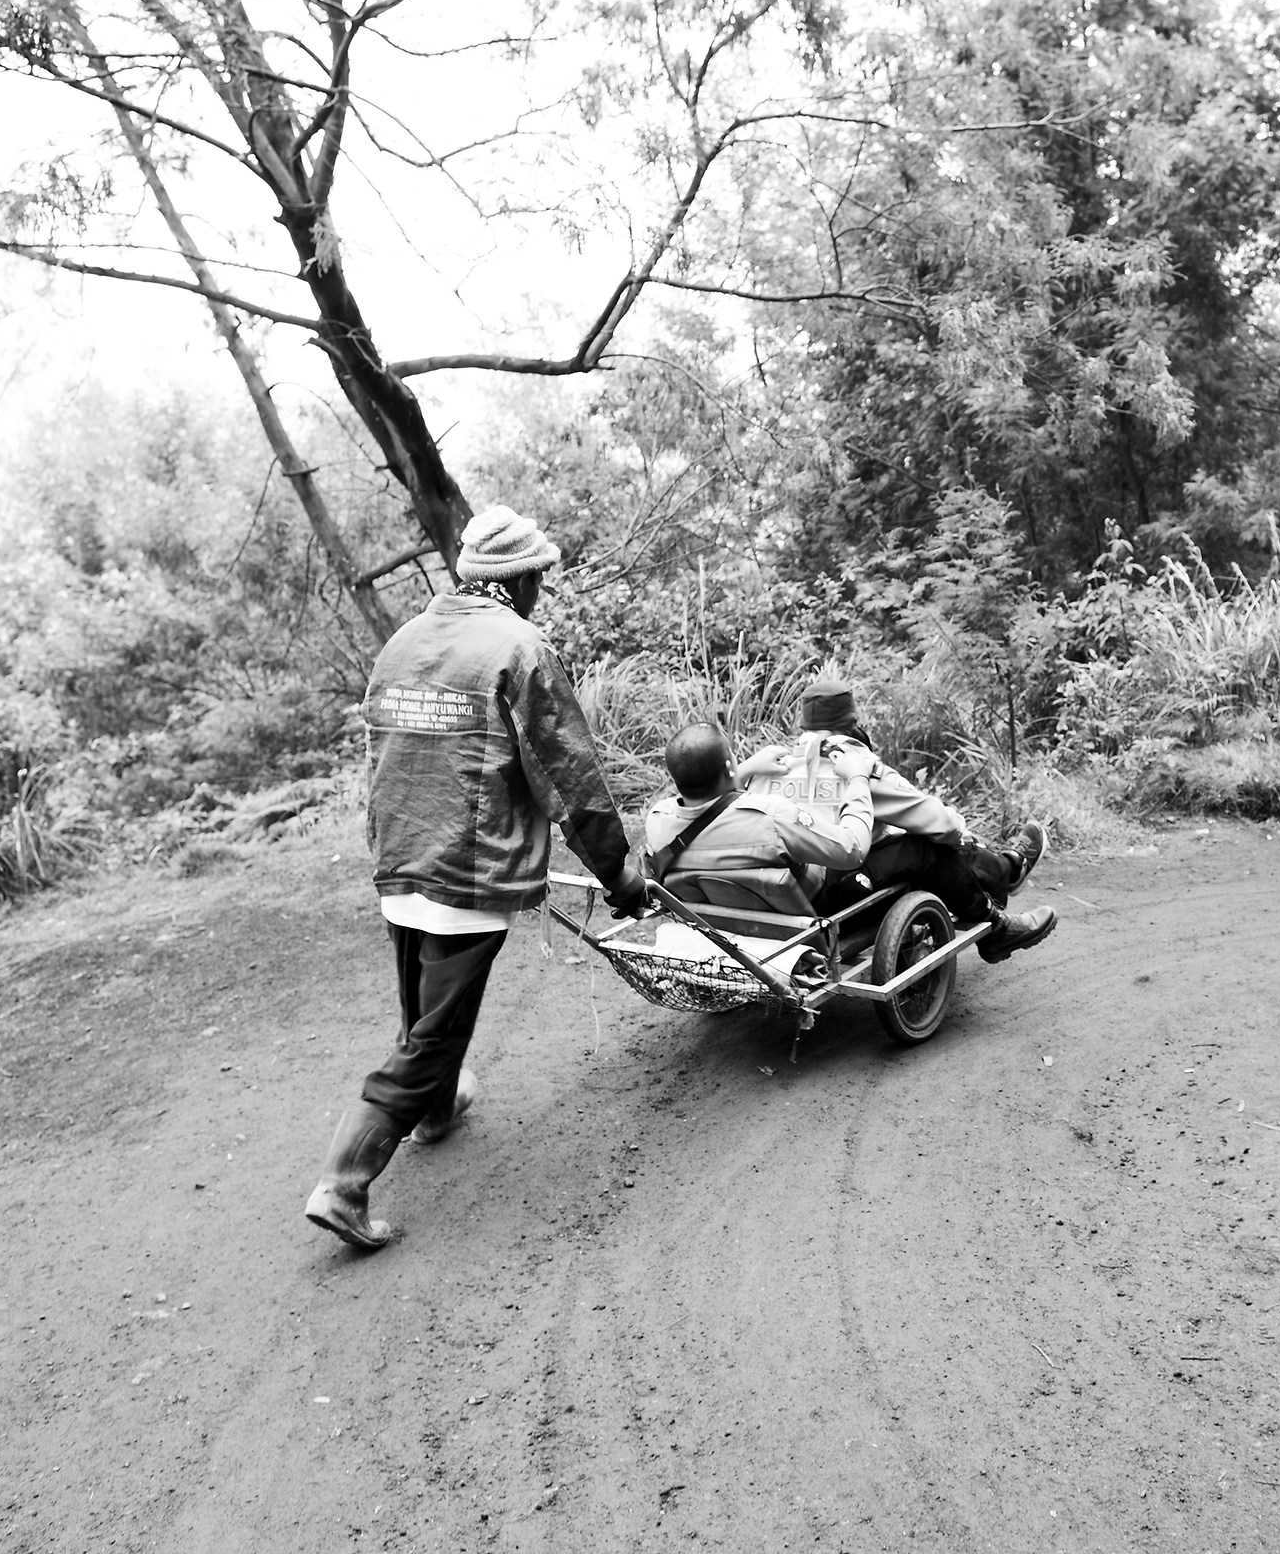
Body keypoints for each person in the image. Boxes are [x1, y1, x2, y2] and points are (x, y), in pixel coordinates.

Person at [304, 504, 647, 1251]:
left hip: (401, 854)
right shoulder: (518, 646)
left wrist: (386, 845)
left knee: (426, 1010)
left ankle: (434, 1108)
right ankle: (344, 1181)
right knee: (435, 1030)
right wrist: (618, 874)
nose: (541, 591)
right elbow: (570, 773)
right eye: (540, 579)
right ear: (519, 579)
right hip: (468, 861)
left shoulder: (405, 640)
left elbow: (382, 752)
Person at [734, 680, 1057, 963]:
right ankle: (1000, 897)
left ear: (804, 726)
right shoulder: (857, 766)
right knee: (927, 843)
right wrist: (960, 831)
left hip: (778, 895)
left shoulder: (766, 770)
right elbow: (937, 822)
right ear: (852, 722)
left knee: (909, 836)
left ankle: (1005, 870)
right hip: (830, 896)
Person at [642, 721, 880, 898]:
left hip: (714, 917)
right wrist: (857, 777)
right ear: (728, 766)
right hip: (804, 910)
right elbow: (852, 849)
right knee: (903, 853)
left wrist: (744, 770)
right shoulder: (773, 818)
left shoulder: (657, 821)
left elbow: (710, 804)